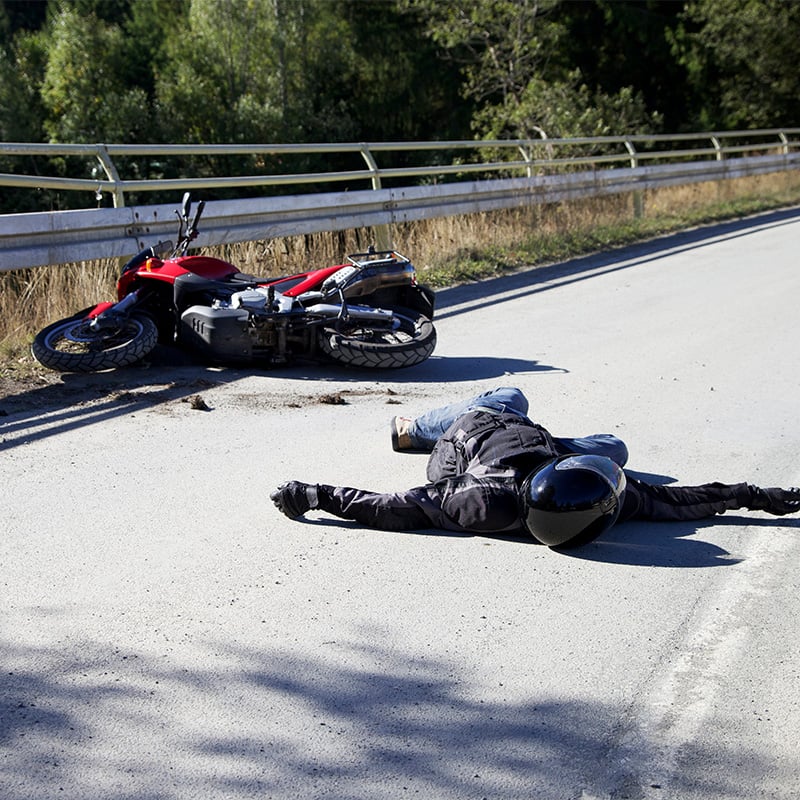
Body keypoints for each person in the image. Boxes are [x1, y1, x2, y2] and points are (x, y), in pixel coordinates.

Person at [270, 387, 800, 547]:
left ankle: (418, 429)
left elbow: (391, 507)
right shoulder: (601, 497)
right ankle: (421, 425)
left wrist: (313, 494)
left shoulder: (477, 502)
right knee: (615, 448)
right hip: (499, 433)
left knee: (510, 395)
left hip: (468, 441)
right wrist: (760, 495)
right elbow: (685, 501)